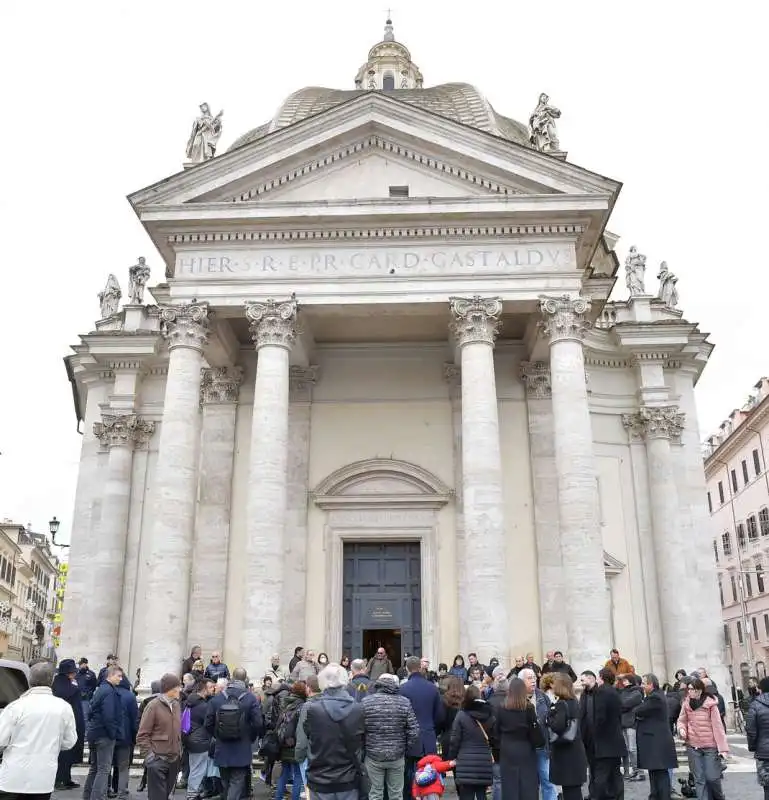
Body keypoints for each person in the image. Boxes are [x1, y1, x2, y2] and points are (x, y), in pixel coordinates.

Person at [0, 661, 77, 800]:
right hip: (43, 778)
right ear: (52, 680)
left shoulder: (16, 707)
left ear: (30, 680)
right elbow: (69, 742)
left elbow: (1, 739)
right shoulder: (63, 708)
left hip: (13, 776)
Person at [295, 663, 366, 800]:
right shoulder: (357, 709)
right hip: (348, 778)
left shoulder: (313, 709)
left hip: (320, 778)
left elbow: (308, 738)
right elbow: (362, 743)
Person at [205, 667, 263, 800]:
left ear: (231, 677)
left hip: (222, 748)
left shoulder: (218, 698)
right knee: (237, 783)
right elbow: (258, 723)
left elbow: (208, 723)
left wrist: (218, 735)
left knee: (225, 783)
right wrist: (250, 737)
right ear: (245, 678)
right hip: (242, 748)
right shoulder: (250, 698)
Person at [362, 674, 419, 800]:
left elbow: (359, 729)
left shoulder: (366, 702)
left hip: (373, 755)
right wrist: (404, 746)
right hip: (397, 756)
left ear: (378, 684)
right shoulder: (404, 702)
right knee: (396, 794)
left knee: (375, 793)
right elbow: (414, 730)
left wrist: (365, 746)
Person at [400, 656, 445, 800]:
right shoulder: (432, 688)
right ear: (420, 667)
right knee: (429, 777)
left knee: (409, 777)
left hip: (409, 740)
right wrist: (432, 730)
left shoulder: (403, 689)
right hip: (428, 736)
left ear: (407, 669)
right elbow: (440, 716)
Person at [677, 677, 728, 800]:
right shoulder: (686, 703)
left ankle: (719, 797)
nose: (689, 692)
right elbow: (681, 720)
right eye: (688, 689)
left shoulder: (711, 704)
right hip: (693, 746)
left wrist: (723, 749)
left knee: (712, 777)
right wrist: (681, 729)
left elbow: (718, 727)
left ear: (699, 690)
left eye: (692, 689)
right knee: (699, 779)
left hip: (710, 746)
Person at [580, 668, 625, 800]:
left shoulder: (601, 692)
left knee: (601, 775)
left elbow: (600, 718)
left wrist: (594, 734)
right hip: (614, 741)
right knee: (615, 775)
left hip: (603, 742)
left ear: (600, 678)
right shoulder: (614, 691)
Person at [495, 677, 544, 800]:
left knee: (509, 785)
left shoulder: (502, 708)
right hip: (525, 748)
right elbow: (535, 732)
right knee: (527, 784)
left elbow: (496, 732)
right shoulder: (528, 708)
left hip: (507, 749)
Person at [137, 674, 182, 800]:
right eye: (179, 687)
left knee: (166, 795)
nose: (180, 690)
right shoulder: (153, 706)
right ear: (171, 688)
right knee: (157, 797)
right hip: (158, 759)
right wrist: (150, 757)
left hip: (174, 759)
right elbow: (142, 735)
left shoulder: (177, 705)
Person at [447, 684, 495, 800]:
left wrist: (451, 757)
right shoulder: (489, 714)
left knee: (466, 795)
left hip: (465, 761)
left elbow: (455, 740)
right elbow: (494, 737)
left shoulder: (461, 715)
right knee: (481, 795)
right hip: (484, 760)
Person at [84, 665, 125, 800]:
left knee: (95, 767)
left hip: (95, 732)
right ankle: (96, 797)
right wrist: (113, 733)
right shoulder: (109, 691)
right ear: (110, 675)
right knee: (103, 769)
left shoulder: (101, 689)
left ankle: (88, 796)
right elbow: (109, 716)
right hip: (104, 735)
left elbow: (90, 711)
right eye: (118, 676)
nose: (121, 679)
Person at [635, 674, 677, 800]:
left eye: (643, 683)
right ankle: (655, 796)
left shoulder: (655, 698)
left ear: (651, 684)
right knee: (654, 772)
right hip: (654, 742)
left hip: (657, 742)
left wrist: (638, 714)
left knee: (660, 773)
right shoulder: (654, 696)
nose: (641, 686)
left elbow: (638, 711)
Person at [547, 674, 587, 800]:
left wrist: (549, 716)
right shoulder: (573, 700)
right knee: (573, 791)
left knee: (571, 792)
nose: (552, 686)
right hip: (574, 752)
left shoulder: (562, 704)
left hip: (567, 755)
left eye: (554, 683)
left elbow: (557, 726)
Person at [518, 668, 556, 800]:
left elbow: (551, 716)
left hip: (542, 745)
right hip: (525, 747)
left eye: (534, 677)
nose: (533, 680)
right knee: (529, 782)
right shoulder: (516, 699)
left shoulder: (541, 696)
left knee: (548, 780)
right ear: (521, 682)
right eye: (529, 678)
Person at [52, 659, 86, 790]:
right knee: (64, 752)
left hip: (75, 720)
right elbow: (63, 694)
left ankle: (67, 778)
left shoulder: (71, 682)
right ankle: (59, 779)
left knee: (72, 751)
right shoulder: (60, 683)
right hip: (65, 722)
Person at [273, 681, 307, 800]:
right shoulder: (302, 706)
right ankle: (295, 798)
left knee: (285, 772)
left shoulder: (286, 704)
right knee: (298, 774)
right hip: (295, 744)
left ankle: (278, 797)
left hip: (284, 744)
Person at [184, 678, 215, 800]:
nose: (213, 689)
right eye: (211, 687)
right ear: (204, 689)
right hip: (200, 740)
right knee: (198, 769)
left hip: (190, 738)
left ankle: (193, 792)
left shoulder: (189, 701)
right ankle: (192, 794)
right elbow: (209, 723)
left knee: (194, 768)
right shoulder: (203, 706)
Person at [113, 674, 139, 800]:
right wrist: (134, 737)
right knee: (123, 766)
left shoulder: (110, 693)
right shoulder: (130, 696)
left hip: (110, 735)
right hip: (125, 736)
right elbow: (134, 718)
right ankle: (121, 791)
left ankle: (107, 788)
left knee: (106, 766)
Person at [617, 673, 644, 780]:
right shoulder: (622, 692)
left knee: (633, 748)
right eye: (623, 680)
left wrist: (622, 706)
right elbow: (620, 704)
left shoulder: (636, 692)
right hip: (623, 723)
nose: (623, 682)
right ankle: (634, 771)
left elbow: (623, 704)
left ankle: (639, 771)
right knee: (627, 749)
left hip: (631, 723)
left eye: (626, 680)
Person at [746, 675, 769, 800]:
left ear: (760, 689)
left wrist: (753, 747)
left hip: (764, 753)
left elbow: (751, 730)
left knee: (767, 786)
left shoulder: (755, 705)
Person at [77, 658, 98, 725]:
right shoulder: (76, 673)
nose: (81, 666)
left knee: (85, 717)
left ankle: (86, 734)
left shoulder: (91, 674)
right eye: (80, 664)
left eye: (83, 664)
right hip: (76, 698)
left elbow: (94, 686)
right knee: (76, 716)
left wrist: (89, 693)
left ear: (86, 664)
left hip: (86, 699)